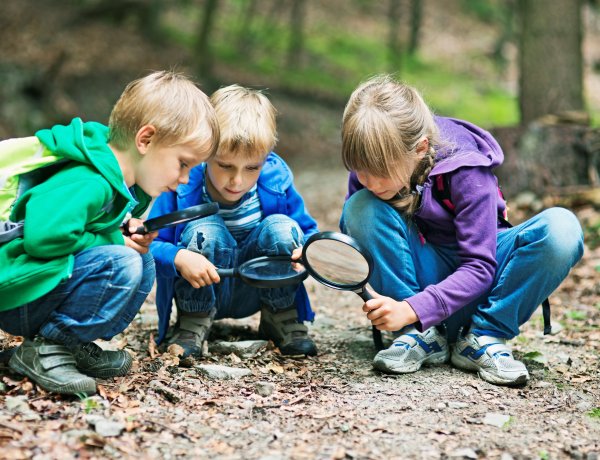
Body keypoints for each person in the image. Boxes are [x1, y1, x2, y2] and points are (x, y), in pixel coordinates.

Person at [339, 75, 584, 386]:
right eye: (360, 170)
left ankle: (483, 337)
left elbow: (480, 267)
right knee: (360, 207)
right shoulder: (370, 176)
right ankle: (418, 337)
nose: (369, 182)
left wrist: (413, 308)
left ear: (420, 148)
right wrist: (324, 256)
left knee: (562, 228)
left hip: (482, 289)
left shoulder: (466, 169)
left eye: (380, 172)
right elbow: (362, 244)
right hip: (417, 294)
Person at [0, 71, 219, 395]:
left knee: (140, 260)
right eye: (183, 163)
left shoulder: (114, 180)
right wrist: (114, 240)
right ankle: (45, 348)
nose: (186, 178)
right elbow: (43, 238)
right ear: (145, 140)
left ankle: (69, 344)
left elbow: (85, 230)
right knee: (123, 262)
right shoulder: (89, 180)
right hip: (19, 295)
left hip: (40, 287)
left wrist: (120, 230)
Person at [150, 84, 319, 359]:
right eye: (225, 165)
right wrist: (179, 256)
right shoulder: (183, 186)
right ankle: (194, 321)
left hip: (257, 286)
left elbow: (309, 232)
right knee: (205, 228)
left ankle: (280, 316)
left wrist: (307, 252)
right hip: (203, 285)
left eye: (252, 167)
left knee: (282, 227)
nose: (237, 180)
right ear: (205, 153)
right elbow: (152, 246)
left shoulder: (276, 183)